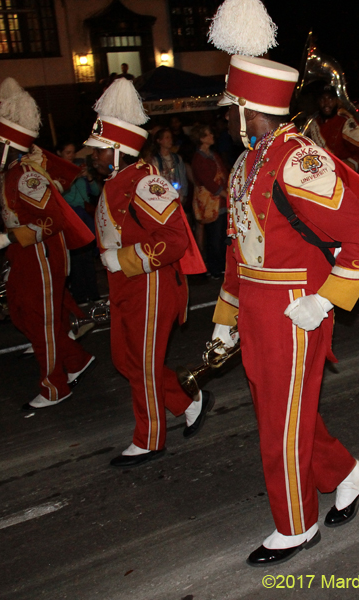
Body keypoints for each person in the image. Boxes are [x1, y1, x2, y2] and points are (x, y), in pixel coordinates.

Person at [212, 54, 359, 567]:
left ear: (249, 108)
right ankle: (348, 474)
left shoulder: (298, 160)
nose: (225, 116)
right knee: (283, 412)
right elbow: (238, 248)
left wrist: (326, 298)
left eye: (231, 106)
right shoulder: (245, 164)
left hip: (296, 305)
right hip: (256, 306)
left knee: (281, 422)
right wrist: (226, 319)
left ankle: (296, 524)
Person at [85, 78, 208, 468]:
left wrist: (123, 259)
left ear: (117, 150)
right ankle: (188, 400)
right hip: (128, 286)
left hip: (152, 284)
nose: (93, 156)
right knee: (125, 361)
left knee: (141, 364)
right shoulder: (116, 182)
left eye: (99, 149)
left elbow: (175, 240)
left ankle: (150, 438)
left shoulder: (145, 183)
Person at [0, 79, 96, 410]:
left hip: (42, 253)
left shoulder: (26, 175)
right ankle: (75, 359)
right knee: (20, 312)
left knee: (40, 321)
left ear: (7, 144)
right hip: (25, 251)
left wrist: (6, 238)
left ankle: (55, 387)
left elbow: (51, 221)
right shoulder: (11, 172)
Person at [57, 142, 101, 304]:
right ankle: (80, 295)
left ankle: (93, 294)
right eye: (67, 152)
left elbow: (96, 191)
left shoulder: (79, 167)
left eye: (73, 152)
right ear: (59, 153)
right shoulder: (56, 171)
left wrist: (89, 178)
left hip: (84, 216)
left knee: (88, 256)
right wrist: (72, 177)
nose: (71, 156)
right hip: (69, 216)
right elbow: (59, 192)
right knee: (76, 257)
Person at [306, 85, 359, 174]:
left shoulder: (345, 121)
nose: (326, 103)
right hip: (321, 174)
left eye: (330, 99)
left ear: (336, 101)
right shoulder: (313, 123)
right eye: (322, 99)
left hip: (344, 174)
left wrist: (350, 164)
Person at [190, 125, 228, 278]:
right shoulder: (199, 159)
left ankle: (221, 266)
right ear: (201, 138)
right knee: (214, 237)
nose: (212, 136)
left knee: (222, 235)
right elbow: (208, 182)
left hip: (220, 202)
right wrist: (225, 193)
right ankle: (214, 268)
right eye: (208, 134)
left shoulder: (213, 155)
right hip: (211, 203)